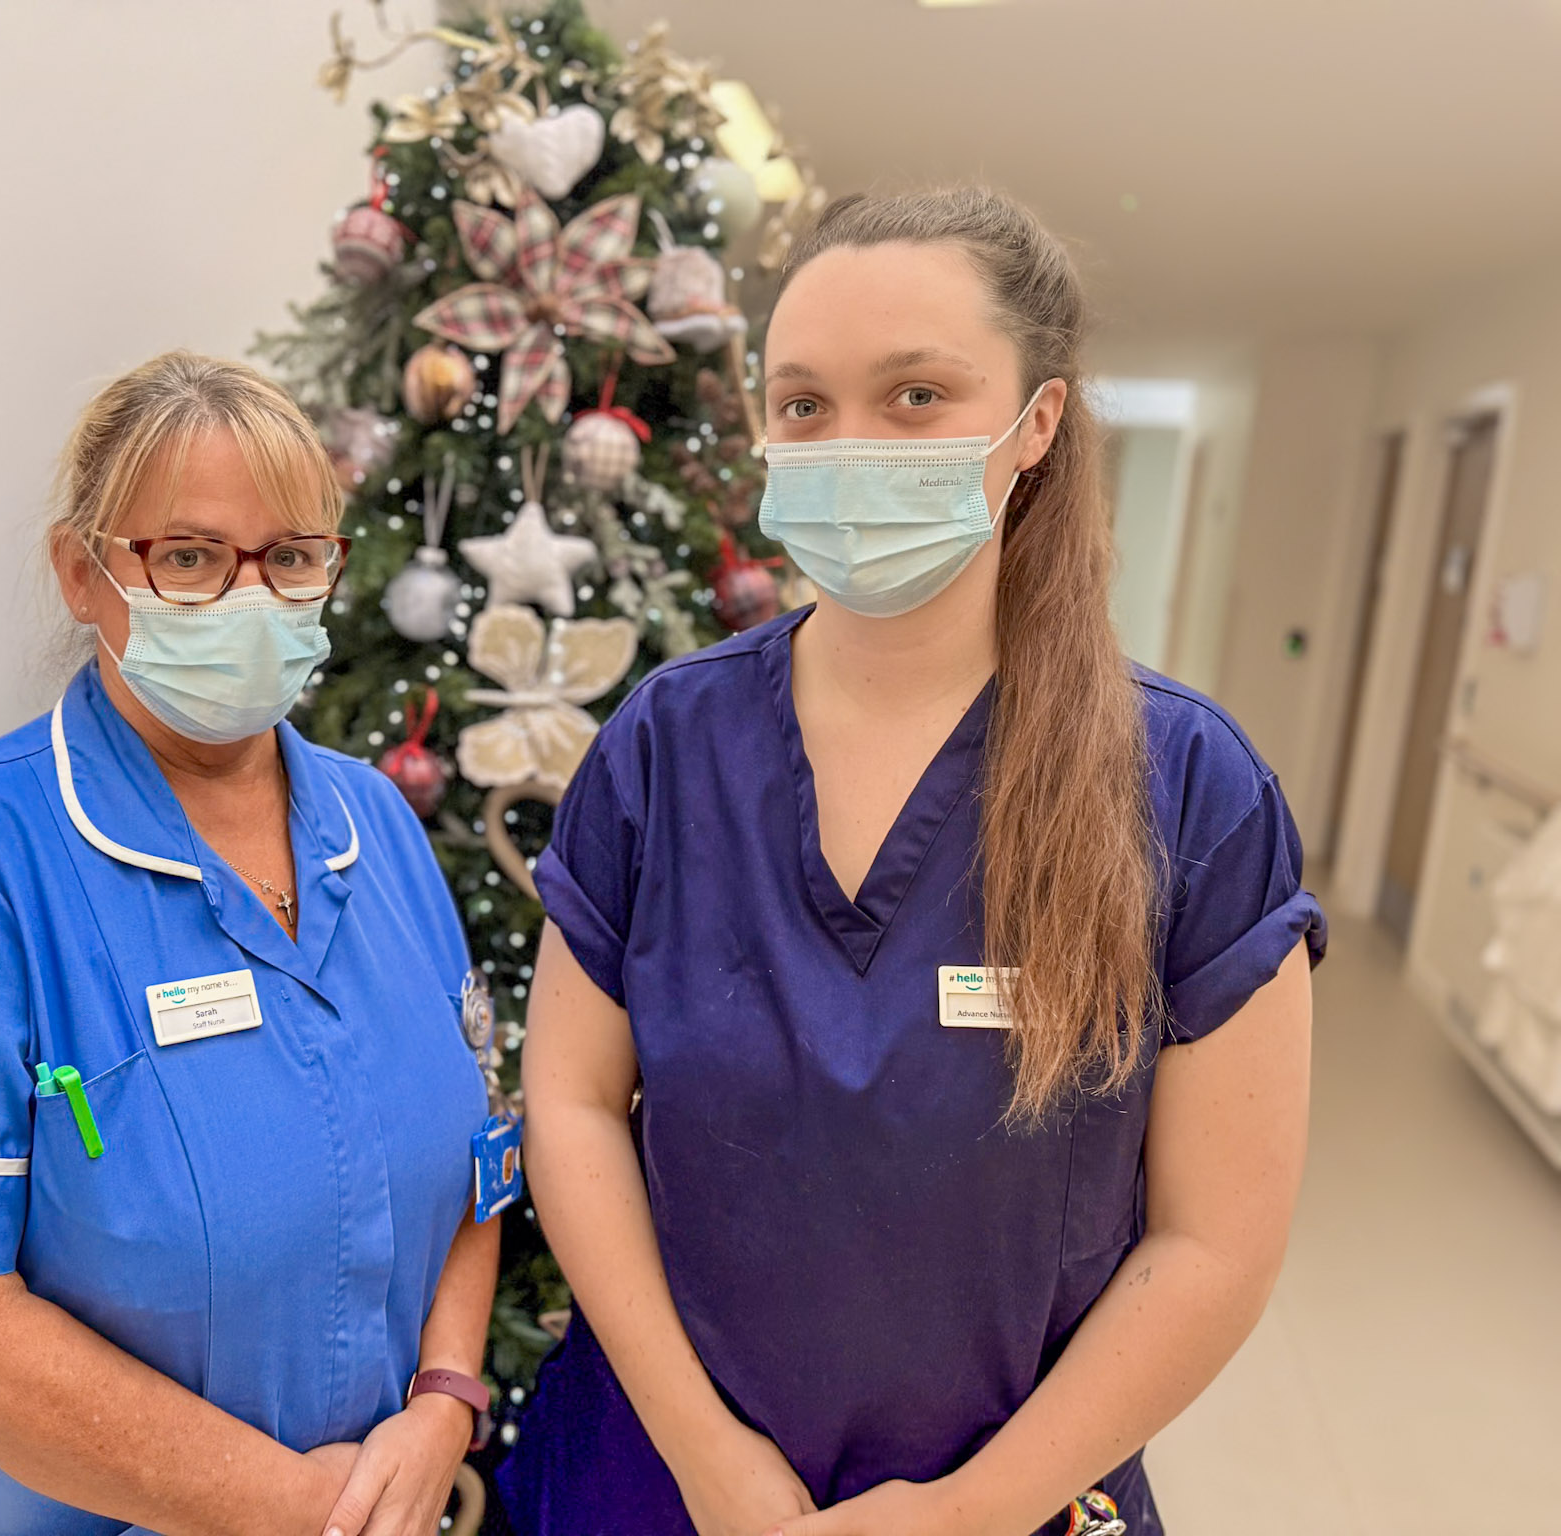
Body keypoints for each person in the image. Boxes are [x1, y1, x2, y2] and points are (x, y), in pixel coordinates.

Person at [495, 188, 1323, 1536]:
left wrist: (972, 1512)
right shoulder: (666, 743)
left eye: (917, 395)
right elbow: (575, 1101)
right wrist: (708, 1458)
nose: (848, 445)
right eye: (805, 404)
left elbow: (1213, 1243)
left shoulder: (1185, 785)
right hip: (658, 1477)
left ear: (1037, 423)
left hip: (1021, 1498)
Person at [0, 352, 499, 1536]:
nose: (247, 599)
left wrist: (445, 1398)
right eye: (189, 557)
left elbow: (475, 1159)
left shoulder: (377, 829)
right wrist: (291, 1508)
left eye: (291, 557)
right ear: (83, 573)